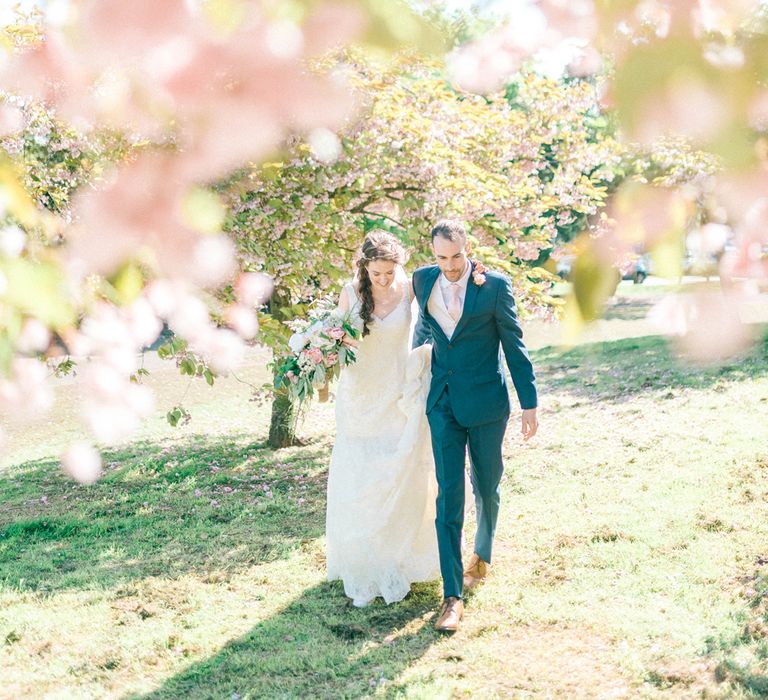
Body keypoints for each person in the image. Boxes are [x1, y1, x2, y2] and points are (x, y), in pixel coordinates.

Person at [412, 219, 539, 633]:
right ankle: (452, 596)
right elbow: (423, 333)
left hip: (487, 404)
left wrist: (529, 403)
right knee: (448, 496)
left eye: (456, 257)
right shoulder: (422, 280)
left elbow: (514, 347)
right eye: (441, 257)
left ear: (468, 249)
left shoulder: (495, 287)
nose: (449, 266)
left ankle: (481, 554)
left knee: (486, 485)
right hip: (442, 405)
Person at [325, 230, 439, 607]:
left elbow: (449, 280)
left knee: (397, 472)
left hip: (397, 395)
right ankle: (361, 558)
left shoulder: (411, 289)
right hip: (359, 397)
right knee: (361, 478)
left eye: (391, 272)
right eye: (378, 274)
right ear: (365, 268)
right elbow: (331, 340)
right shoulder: (350, 293)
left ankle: (395, 557)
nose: (385, 279)